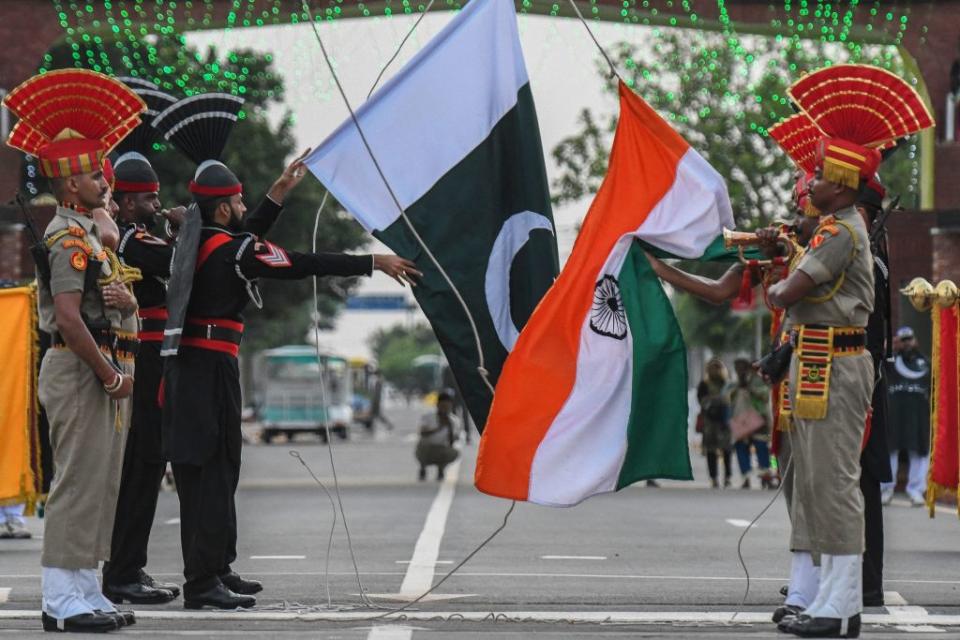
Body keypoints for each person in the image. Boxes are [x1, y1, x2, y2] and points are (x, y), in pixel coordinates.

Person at [161, 149, 420, 610]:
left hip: (190, 369)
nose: (245, 210)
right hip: (210, 372)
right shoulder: (233, 250)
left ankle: (215, 568)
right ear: (223, 209)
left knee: (208, 471)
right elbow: (299, 262)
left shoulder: (199, 243)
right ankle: (203, 581)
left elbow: (245, 237)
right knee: (213, 472)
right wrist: (371, 263)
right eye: (239, 203)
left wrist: (277, 193)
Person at [4, 69, 144, 632]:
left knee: (102, 484)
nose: (102, 181)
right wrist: (109, 374)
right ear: (69, 188)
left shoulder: (89, 235)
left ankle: (87, 589)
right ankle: (61, 602)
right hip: (82, 367)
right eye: (92, 175)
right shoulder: (67, 241)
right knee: (77, 484)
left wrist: (123, 299)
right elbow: (66, 316)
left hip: (102, 365)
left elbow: (116, 302)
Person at [101, 151, 183, 605]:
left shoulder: (138, 234)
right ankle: (122, 572)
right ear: (127, 204)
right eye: (149, 199)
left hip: (153, 355)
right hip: (142, 356)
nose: (157, 204)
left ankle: (131, 566)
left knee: (151, 462)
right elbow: (177, 262)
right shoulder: (129, 239)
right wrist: (186, 226)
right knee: (143, 462)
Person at [854, 177, 895, 606]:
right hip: (859, 372)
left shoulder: (868, 255)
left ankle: (868, 583)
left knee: (861, 482)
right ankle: (855, 579)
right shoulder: (863, 249)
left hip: (864, 375)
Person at [882, 326, 930, 506]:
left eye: (909, 339)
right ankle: (886, 489)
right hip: (894, 415)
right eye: (903, 340)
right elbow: (876, 362)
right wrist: (889, 347)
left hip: (918, 416)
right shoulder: (890, 362)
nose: (907, 343)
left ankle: (916, 490)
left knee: (919, 451)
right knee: (890, 451)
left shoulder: (925, 363)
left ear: (915, 340)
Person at [727, 356, 773, 489]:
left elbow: (764, 396)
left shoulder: (758, 380)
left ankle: (765, 474)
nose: (739, 371)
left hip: (759, 418)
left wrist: (749, 389)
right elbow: (729, 399)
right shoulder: (735, 384)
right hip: (742, 420)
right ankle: (746, 476)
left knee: (761, 446)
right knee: (741, 446)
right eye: (737, 368)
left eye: (741, 368)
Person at [696, 359, 732, 489]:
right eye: (712, 368)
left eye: (717, 368)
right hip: (710, 422)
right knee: (711, 451)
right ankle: (713, 477)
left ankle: (728, 477)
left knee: (726, 449)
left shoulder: (727, 384)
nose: (715, 370)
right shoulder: (704, 384)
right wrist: (715, 400)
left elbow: (731, 400)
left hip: (725, 421)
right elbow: (701, 400)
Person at [416, 388, 461, 481]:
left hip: (441, 448)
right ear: (438, 405)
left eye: (447, 407)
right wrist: (438, 428)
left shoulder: (454, 421)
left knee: (454, 452)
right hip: (427, 447)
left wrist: (450, 428)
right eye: (443, 406)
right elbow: (422, 433)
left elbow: (452, 442)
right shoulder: (428, 417)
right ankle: (423, 467)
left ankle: (441, 468)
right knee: (422, 448)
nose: (445, 409)